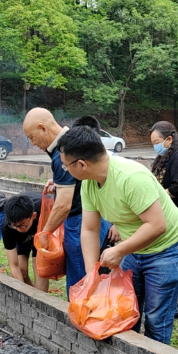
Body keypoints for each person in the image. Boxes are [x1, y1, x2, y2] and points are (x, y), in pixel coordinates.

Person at [58, 125, 178, 345]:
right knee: (126, 309)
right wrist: (93, 275)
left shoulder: (131, 177)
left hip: (165, 248)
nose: (64, 169)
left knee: (157, 318)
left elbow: (157, 225)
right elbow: (89, 229)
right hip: (133, 247)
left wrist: (119, 250)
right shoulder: (89, 184)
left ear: (81, 164)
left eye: (65, 164)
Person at [22, 109, 113, 292]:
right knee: (92, 274)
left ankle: (83, 316)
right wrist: (58, 184)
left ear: (43, 128)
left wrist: (45, 234)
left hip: (81, 222)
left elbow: (63, 204)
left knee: (82, 282)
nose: (33, 143)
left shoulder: (62, 152)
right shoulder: (72, 143)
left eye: (32, 137)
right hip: (91, 216)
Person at [149, 121, 178, 318]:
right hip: (168, 214)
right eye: (152, 142)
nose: (155, 146)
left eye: (157, 141)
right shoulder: (164, 156)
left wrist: (158, 197)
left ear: (169, 139)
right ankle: (169, 298)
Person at [1, 192, 49, 292]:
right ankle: (31, 298)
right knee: (22, 270)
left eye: (22, 225)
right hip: (22, 239)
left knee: (39, 267)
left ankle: (39, 301)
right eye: (15, 226)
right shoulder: (8, 227)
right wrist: (22, 294)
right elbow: (13, 265)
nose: (18, 229)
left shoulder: (44, 207)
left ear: (33, 216)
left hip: (41, 231)